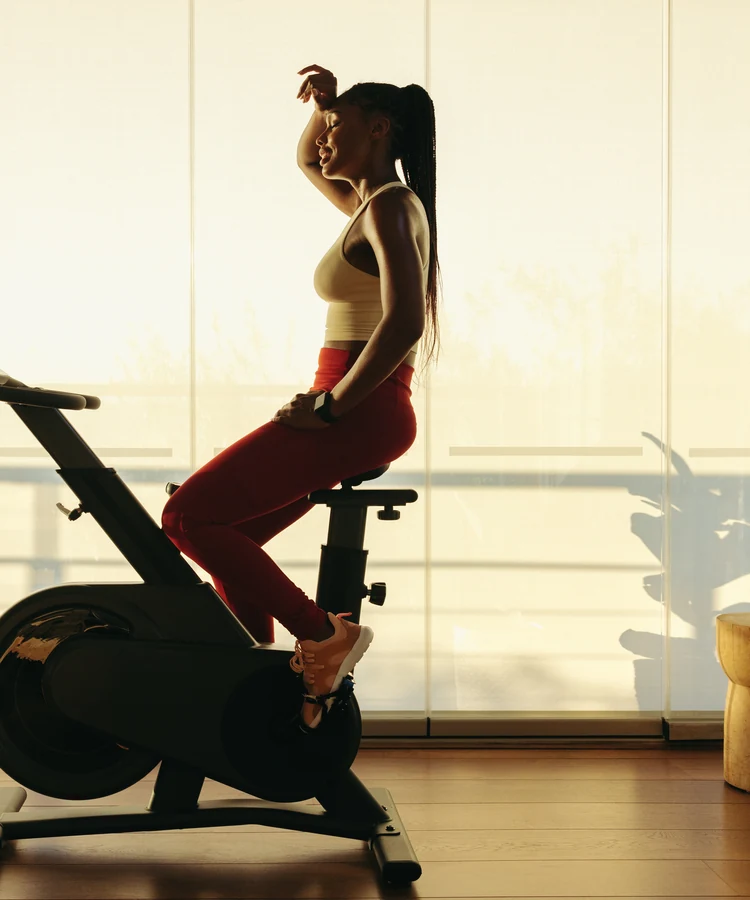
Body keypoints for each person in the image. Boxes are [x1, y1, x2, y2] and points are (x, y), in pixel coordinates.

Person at [161, 64, 442, 732]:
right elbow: (305, 160)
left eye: (337, 127)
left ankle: (324, 635)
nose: (323, 138)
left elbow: (405, 321)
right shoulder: (369, 206)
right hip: (349, 404)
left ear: (379, 130)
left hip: (359, 407)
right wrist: (325, 104)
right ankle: (259, 672)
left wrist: (331, 407)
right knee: (228, 536)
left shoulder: (392, 206)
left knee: (186, 517)